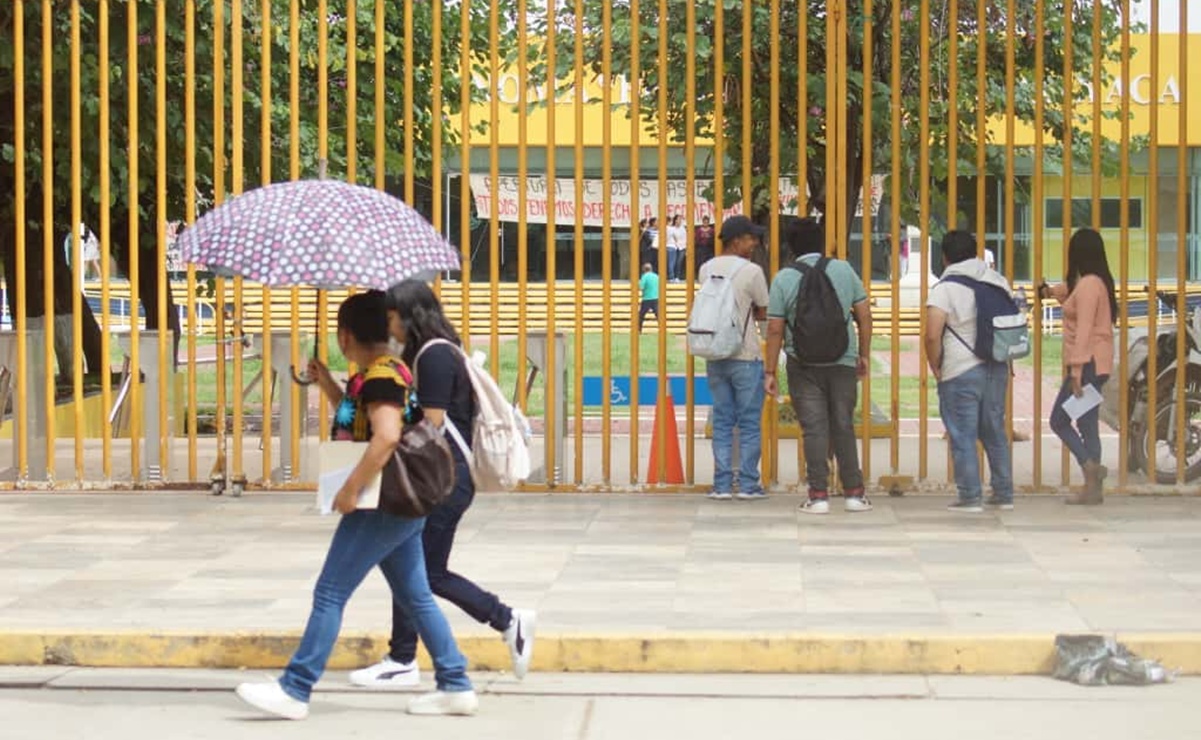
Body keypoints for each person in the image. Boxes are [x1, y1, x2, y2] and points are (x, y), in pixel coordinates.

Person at [236, 291, 477, 720]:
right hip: (403, 502)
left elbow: (385, 435)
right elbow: (362, 418)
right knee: (417, 594)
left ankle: (296, 687)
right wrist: (329, 383)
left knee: (330, 591)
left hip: (384, 501)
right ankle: (455, 682)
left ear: (345, 335)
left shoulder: (383, 377)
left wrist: (350, 489)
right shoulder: (386, 370)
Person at [348, 279, 536, 689]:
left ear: (409, 316)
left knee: (425, 572)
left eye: (393, 317)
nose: (390, 326)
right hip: (446, 479)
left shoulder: (433, 357)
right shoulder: (436, 352)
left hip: (443, 480)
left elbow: (431, 425)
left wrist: (389, 430)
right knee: (409, 564)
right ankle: (402, 656)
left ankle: (505, 619)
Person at [764, 217, 873, 514]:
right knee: (843, 424)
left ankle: (818, 495)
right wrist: (862, 354)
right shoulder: (843, 269)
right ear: (821, 243)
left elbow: (775, 329)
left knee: (813, 429)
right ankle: (854, 493)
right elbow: (864, 316)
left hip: (803, 364)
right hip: (843, 361)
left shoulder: (783, 279)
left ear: (791, 247)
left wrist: (770, 371)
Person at [925, 231, 1015, 513]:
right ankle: (1003, 493)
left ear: (945, 256)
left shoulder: (945, 287)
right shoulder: (998, 281)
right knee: (994, 431)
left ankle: (970, 496)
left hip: (961, 369)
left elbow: (932, 334)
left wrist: (935, 366)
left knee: (962, 434)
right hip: (997, 365)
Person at [1040, 228, 1117, 505]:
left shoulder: (1088, 286)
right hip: (1098, 363)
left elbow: (1083, 328)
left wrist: (1075, 372)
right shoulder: (1096, 283)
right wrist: (1049, 291)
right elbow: (1070, 296)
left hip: (1087, 364)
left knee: (1058, 420)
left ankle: (1090, 468)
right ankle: (1092, 490)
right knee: (1086, 424)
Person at [700, 215, 770, 500]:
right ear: (736, 240)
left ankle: (722, 485)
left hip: (716, 353)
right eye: (750, 238)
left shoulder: (706, 268)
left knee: (723, 420)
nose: (754, 243)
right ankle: (749, 484)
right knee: (750, 422)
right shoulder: (752, 271)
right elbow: (763, 311)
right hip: (745, 355)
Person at [638, 262, 661, 332]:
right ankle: (662, 329)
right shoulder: (656, 276)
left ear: (644, 269)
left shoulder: (644, 276)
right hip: (656, 298)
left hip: (646, 298)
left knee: (641, 316)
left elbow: (641, 287)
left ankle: (639, 330)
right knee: (658, 315)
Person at [667, 214, 688, 282]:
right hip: (675, 246)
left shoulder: (683, 228)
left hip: (682, 247)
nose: (679, 221)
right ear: (675, 220)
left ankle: (677, 277)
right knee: (674, 262)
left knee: (679, 262)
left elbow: (685, 238)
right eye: (678, 219)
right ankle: (672, 277)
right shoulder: (672, 228)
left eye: (680, 219)